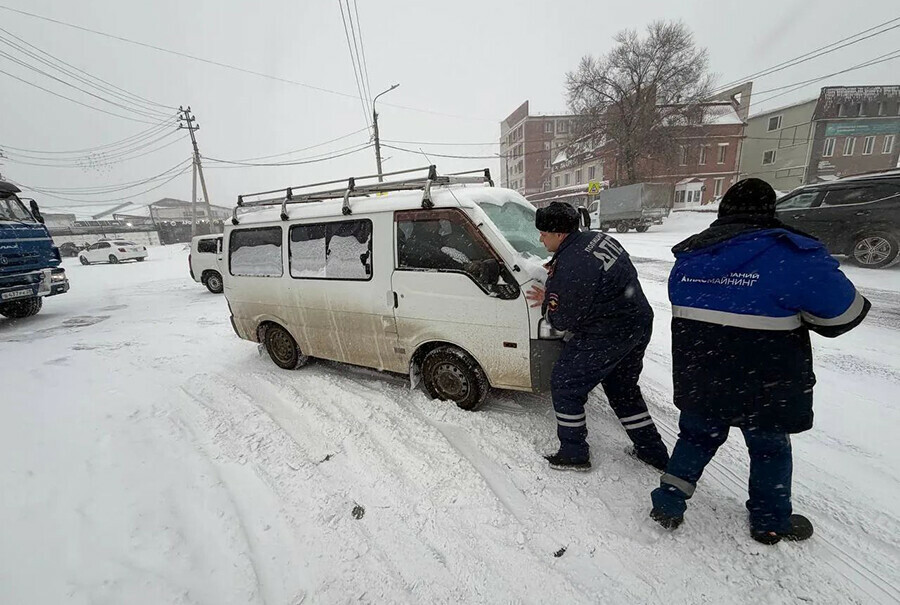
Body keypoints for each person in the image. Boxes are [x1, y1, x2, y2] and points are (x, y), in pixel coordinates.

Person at [649, 178, 870, 544]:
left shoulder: (690, 258)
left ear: (723, 212)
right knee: (769, 448)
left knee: (696, 437)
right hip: (766, 379)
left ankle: (668, 504)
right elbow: (845, 314)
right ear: (771, 211)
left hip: (703, 373)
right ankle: (769, 521)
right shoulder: (794, 256)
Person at [526, 202, 669, 472]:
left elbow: (561, 320)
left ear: (559, 233)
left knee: (566, 383)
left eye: (544, 233)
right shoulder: (598, 239)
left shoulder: (572, 264)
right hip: (636, 321)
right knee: (623, 390)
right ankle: (653, 452)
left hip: (607, 333)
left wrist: (550, 302)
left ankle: (573, 453)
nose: (540, 238)